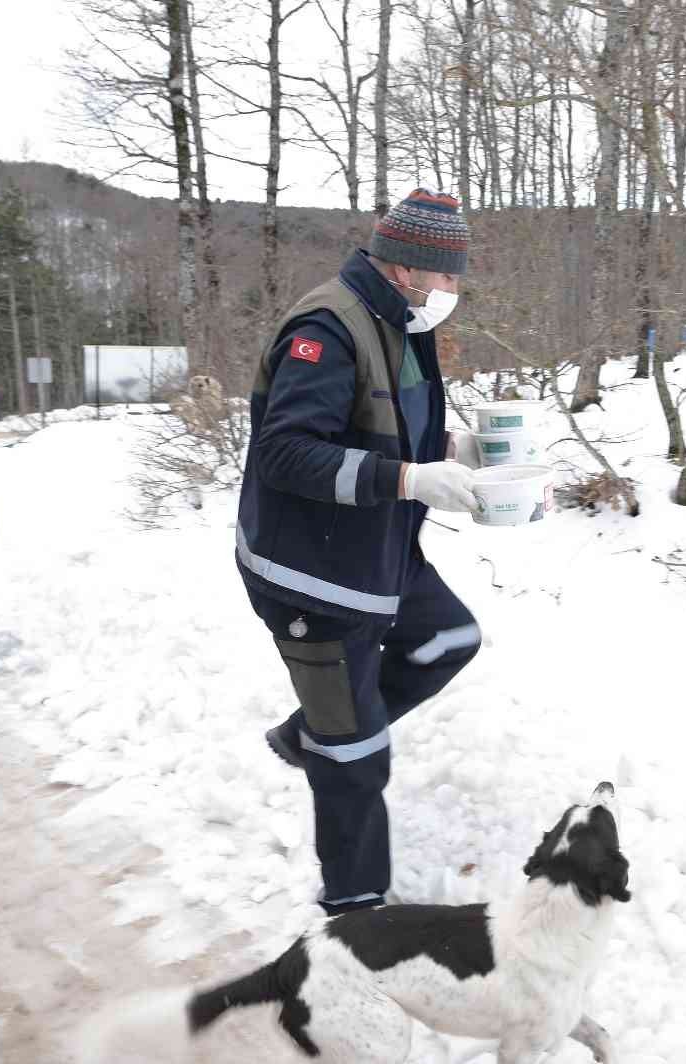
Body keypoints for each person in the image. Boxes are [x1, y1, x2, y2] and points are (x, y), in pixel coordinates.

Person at [237, 189, 486, 915]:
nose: (455, 292)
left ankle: (311, 726)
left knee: (448, 638)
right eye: (450, 277)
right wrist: (408, 479)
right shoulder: (329, 326)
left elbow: (379, 427)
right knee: (355, 756)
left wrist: (452, 452)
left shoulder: (400, 323)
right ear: (409, 267)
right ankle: (355, 907)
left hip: (377, 553)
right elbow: (285, 453)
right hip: (312, 576)